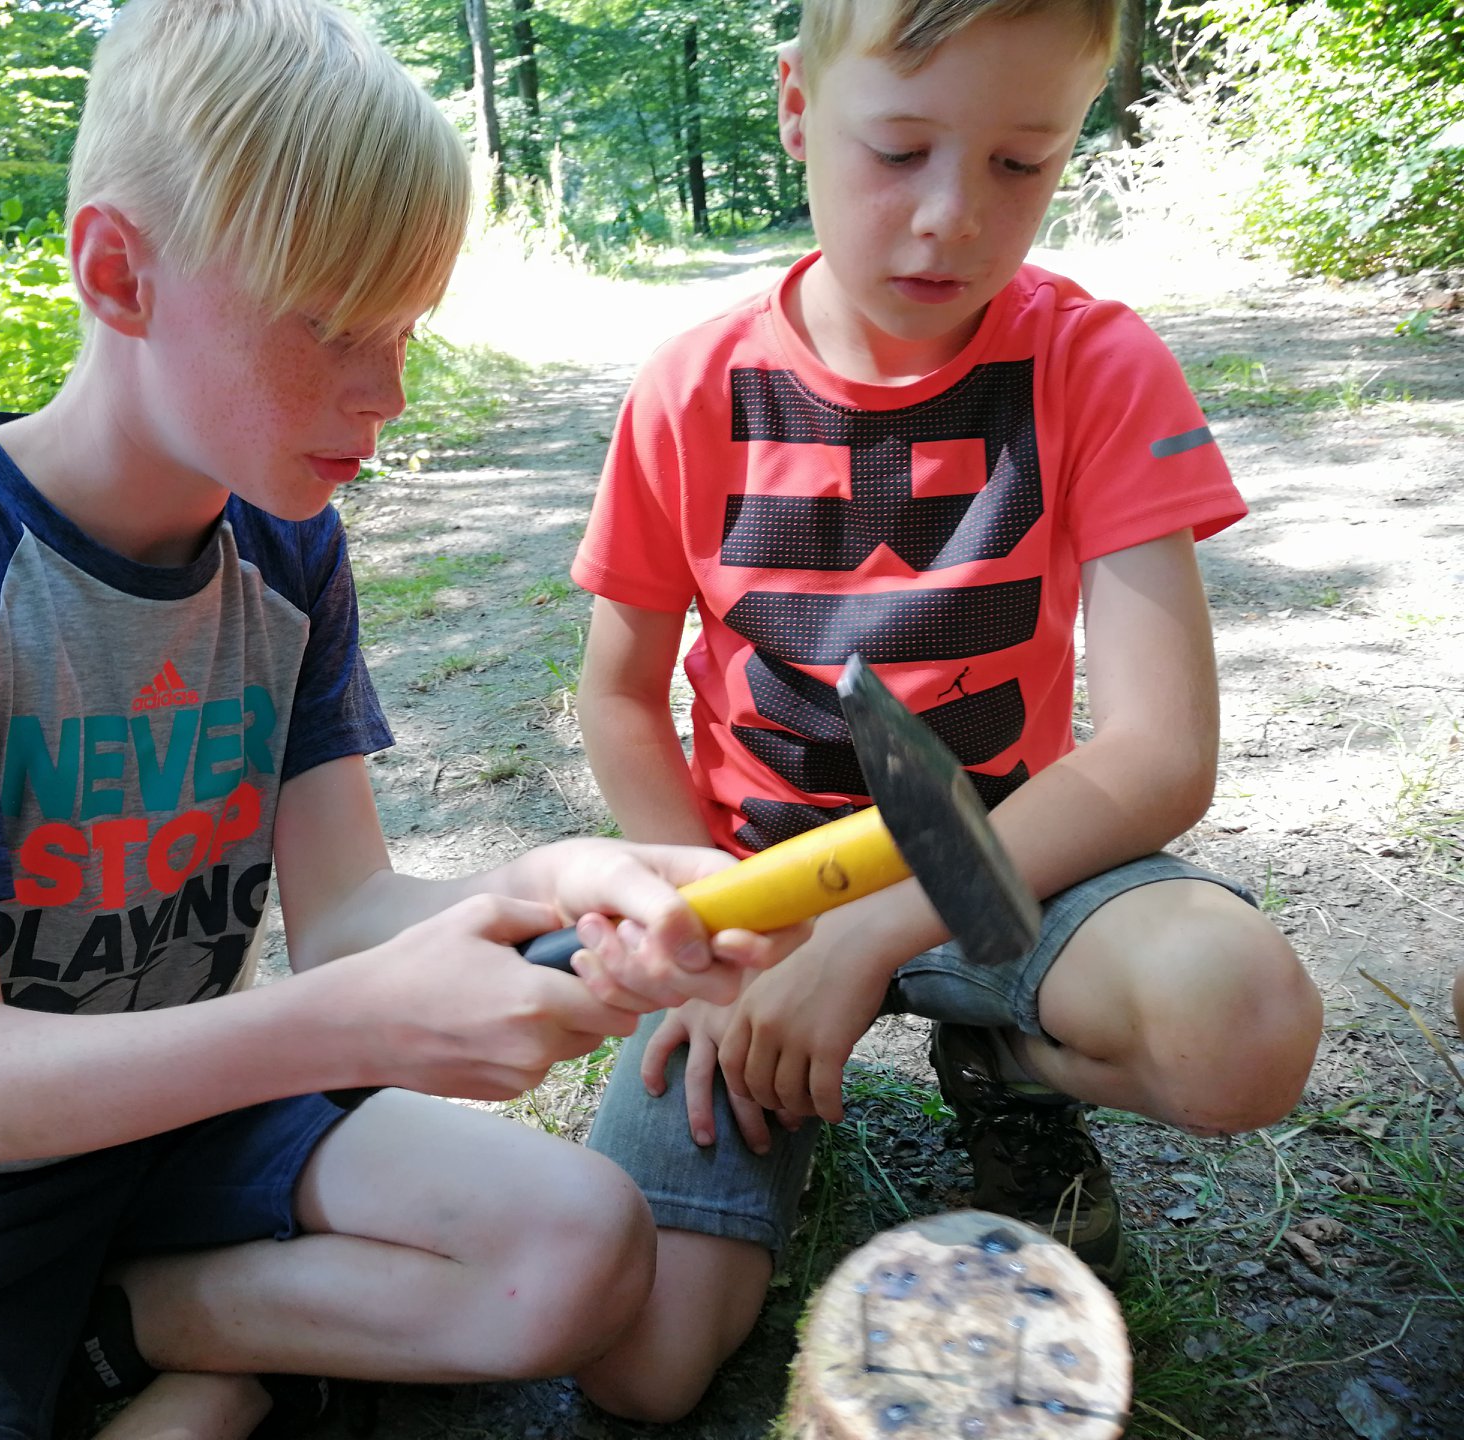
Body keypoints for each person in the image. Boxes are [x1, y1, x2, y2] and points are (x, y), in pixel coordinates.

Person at [0, 3, 802, 1438]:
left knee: (576, 1252)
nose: (391, 393)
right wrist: (336, 1027)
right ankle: (207, 1383)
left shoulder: (283, 556)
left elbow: (351, 909)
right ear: (120, 272)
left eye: (406, 330)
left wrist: (554, 886)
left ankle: (147, 1334)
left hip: (188, 1129)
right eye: (331, 328)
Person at [564, 0, 1326, 1422]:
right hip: (757, 894)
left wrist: (869, 939)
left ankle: (1007, 1071)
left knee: (1244, 1021)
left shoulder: (1096, 366)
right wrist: (720, 940)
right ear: (798, 106)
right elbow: (618, 697)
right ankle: (783, 1081)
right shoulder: (688, 391)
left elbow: (1161, 751)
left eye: (1019, 164)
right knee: (644, 1367)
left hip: (1003, 874)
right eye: (900, 149)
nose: (950, 221)